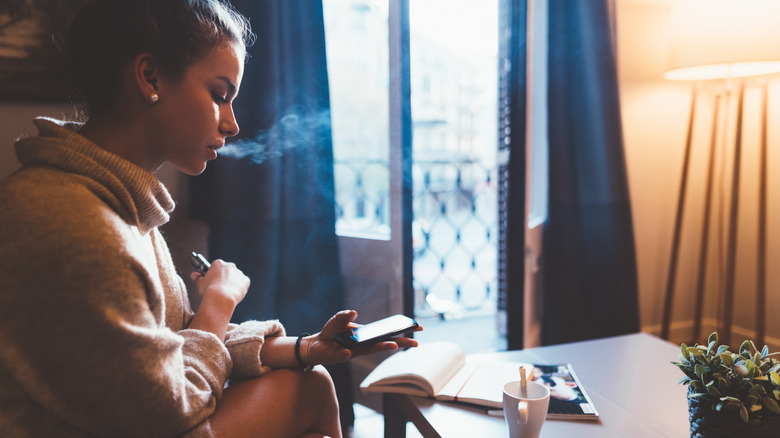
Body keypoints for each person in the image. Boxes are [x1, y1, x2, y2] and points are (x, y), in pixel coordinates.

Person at [0, 1, 418, 437]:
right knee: (309, 392)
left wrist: (306, 347)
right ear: (150, 78)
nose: (233, 123)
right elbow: (168, 410)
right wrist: (218, 301)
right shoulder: (72, 223)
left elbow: (175, 342)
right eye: (220, 95)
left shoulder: (118, 209)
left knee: (310, 375)